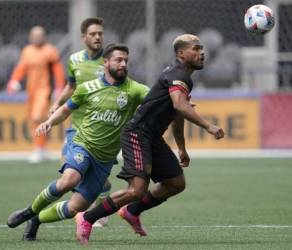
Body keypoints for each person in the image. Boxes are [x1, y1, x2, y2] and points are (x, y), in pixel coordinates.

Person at [75, 34, 225, 245]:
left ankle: (132, 212)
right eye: (196, 49)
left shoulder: (183, 78)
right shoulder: (176, 75)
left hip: (152, 137)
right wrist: (209, 125)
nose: (202, 53)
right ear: (181, 54)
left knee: (176, 183)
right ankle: (87, 218)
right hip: (137, 134)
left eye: (202, 49)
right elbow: (180, 106)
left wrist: (181, 148)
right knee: (137, 190)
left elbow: (178, 112)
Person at [6, 44, 149, 242]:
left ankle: (36, 220)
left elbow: (157, 98)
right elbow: (66, 110)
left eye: (126, 60)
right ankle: (29, 211)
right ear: (106, 63)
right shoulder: (87, 88)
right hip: (83, 145)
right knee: (69, 180)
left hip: (105, 160)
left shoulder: (135, 90)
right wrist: (49, 122)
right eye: (119, 60)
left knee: (76, 207)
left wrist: (177, 99)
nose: (123, 64)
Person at [49, 17, 111, 227]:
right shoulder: (75, 59)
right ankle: (84, 211)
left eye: (100, 34)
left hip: (101, 128)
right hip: (77, 125)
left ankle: (100, 211)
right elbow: (71, 86)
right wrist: (57, 103)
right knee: (69, 170)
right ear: (83, 37)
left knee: (99, 179)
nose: (97, 37)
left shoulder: (110, 60)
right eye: (93, 34)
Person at [6, 25, 65, 163]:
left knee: (38, 116)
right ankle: (41, 148)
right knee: (33, 119)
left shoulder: (50, 51)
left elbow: (58, 71)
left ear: (44, 37)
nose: (37, 38)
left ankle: (39, 149)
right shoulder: (27, 51)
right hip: (31, 91)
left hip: (44, 89)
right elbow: (21, 68)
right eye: (34, 35)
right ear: (30, 37)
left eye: (39, 35)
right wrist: (13, 81)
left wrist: (59, 87)